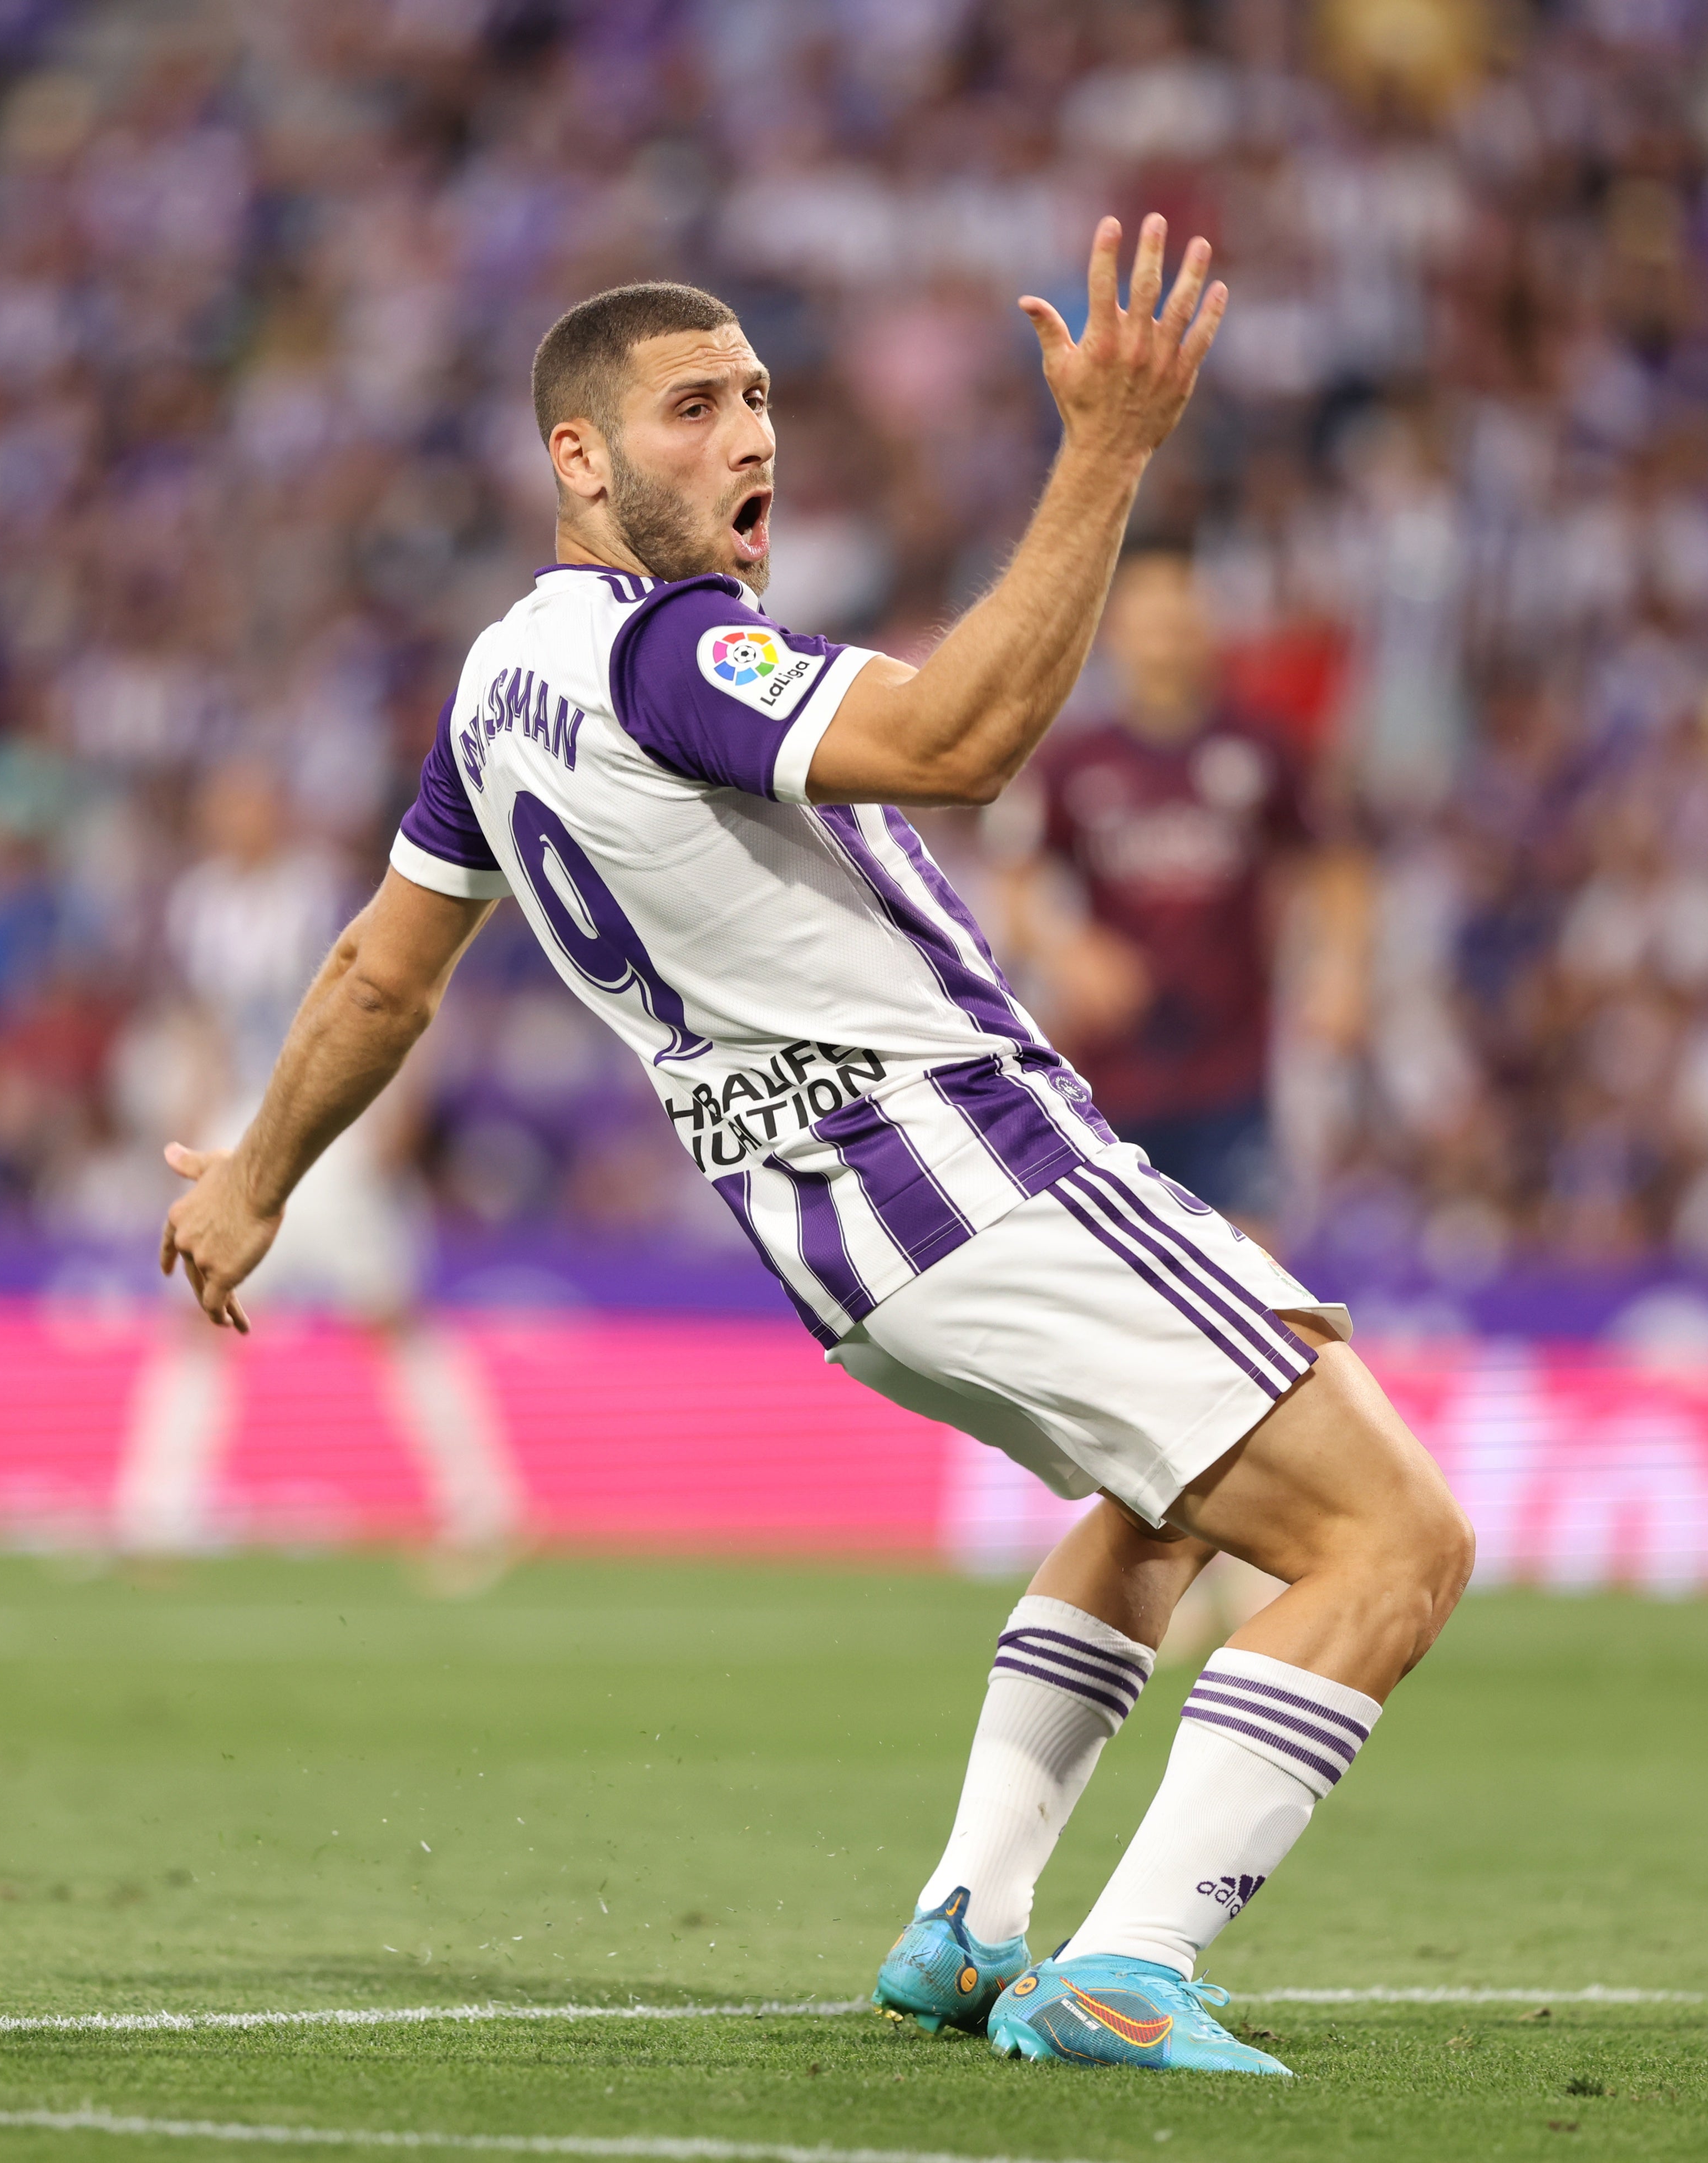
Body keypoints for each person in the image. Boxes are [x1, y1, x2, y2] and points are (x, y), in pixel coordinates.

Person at [159, 218, 1473, 2077]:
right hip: (979, 1172)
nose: (749, 436)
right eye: (692, 408)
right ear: (580, 460)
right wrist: (1106, 449)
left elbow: (382, 978)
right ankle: (1127, 1970)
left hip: (843, 1250)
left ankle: (968, 1922)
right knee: (1390, 1537)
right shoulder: (664, 651)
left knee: (1170, 1499)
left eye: (760, 398)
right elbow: (956, 737)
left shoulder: (487, 689)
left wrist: (255, 1177)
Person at [125, 758, 525, 1585]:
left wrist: (400, 1113)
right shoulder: (203, 902)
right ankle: (159, 1510)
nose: (233, 824)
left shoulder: (323, 892)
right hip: (240, 1117)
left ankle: (483, 1503)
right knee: (199, 1308)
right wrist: (193, 1113)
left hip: (333, 1121)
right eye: (222, 809)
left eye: (247, 805)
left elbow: (402, 981)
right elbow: (204, 1019)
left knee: (387, 1312)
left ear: (276, 811)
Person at [997, 543, 1369, 1235]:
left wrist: (1341, 968)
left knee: (1260, 1280)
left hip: (1233, 1063)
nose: (1164, 637)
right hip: (1109, 1069)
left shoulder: (1261, 747)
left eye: (1178, 617)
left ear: (1206, 626)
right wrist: (1068, 946)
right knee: (1119, 1273)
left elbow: (1337, 863)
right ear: (1117, 635)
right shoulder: (1076, 759)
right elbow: (1016, 886)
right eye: (1147, 620)